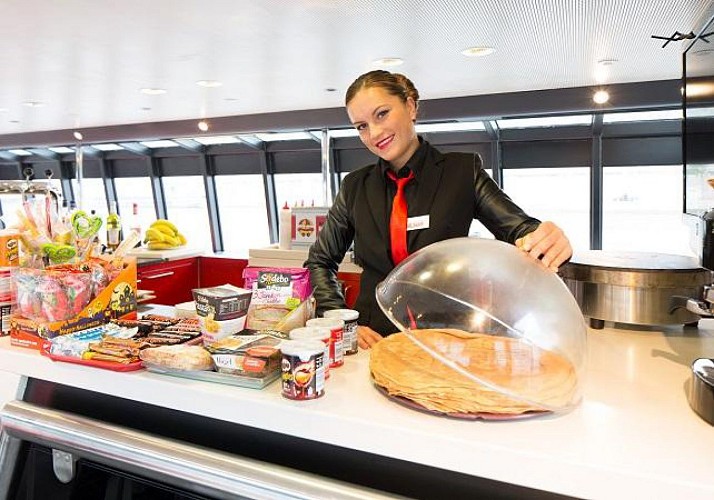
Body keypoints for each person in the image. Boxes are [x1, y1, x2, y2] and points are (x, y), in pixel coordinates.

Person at [305, 70, 572, 349]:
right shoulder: (354, 187)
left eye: (381, 114)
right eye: (361, 126)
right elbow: (320, 261)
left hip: (445, 341)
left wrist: (545, 239)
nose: (373, 133)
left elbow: (519, 230)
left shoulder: (462, 173)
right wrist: (343, 322)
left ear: (410, 106)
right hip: (373, 342)